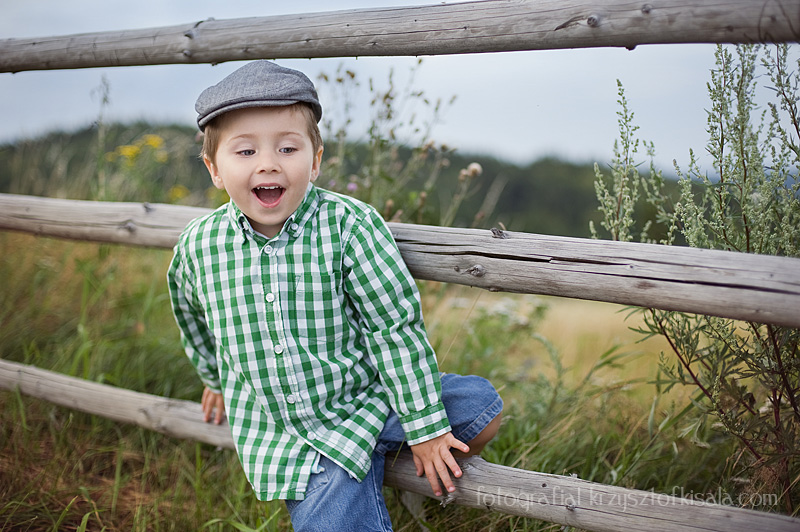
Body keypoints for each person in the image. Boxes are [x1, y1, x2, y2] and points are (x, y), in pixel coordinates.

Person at [167, 60, 503, 531]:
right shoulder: (200, 245)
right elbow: (192, 315)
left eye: (288, 147)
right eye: (245, 152)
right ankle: (361, 472)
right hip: (293, 436)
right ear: (214, 169)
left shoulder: (350, 226)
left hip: (369, 398)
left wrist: (426, 426)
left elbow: (393, 327)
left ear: (316, 159)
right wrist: (215, 377)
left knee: (480, 405)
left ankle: (392, 458)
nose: (268, 163)